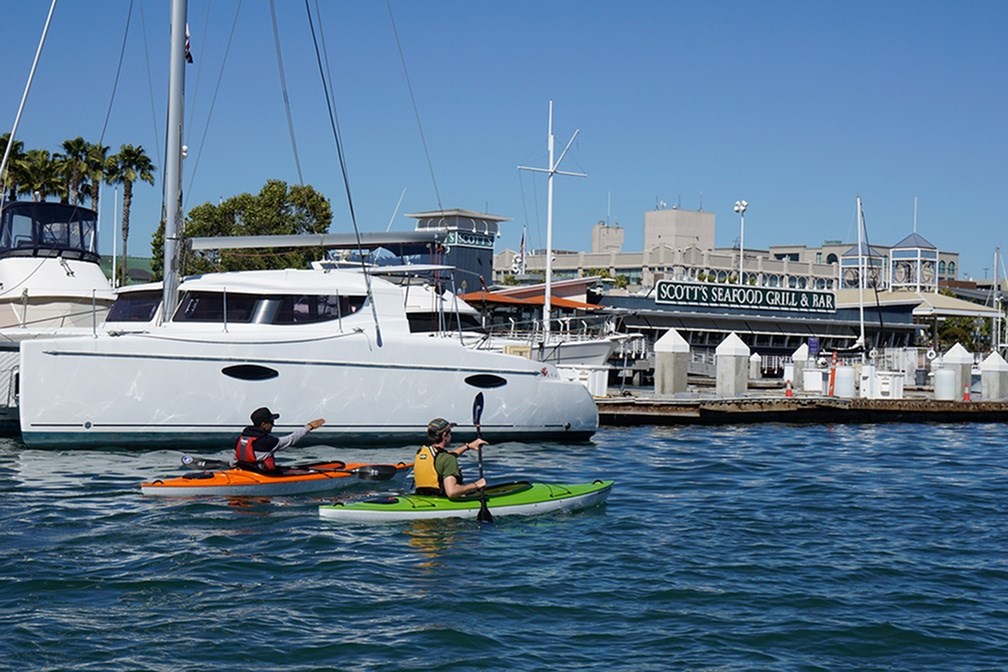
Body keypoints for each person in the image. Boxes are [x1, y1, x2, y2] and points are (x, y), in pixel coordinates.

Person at [413, 417, 488, 497]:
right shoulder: (448, 459)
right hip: (441, 502)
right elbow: (452, 492)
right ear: (445, 435)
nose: (451, 436)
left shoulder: (421, 452)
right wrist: (476, 485)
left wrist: (468, 446)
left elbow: (446, 457)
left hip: (422, 498)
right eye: (450, 433)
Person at [234, 406, 326, 471]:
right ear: (263, 424)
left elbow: (234, 460)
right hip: (262, 475)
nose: (273, 425)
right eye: (271, 422)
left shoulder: (242, 438)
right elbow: (291, 439)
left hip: (243, 471)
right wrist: (309, 427)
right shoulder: (268, 442)